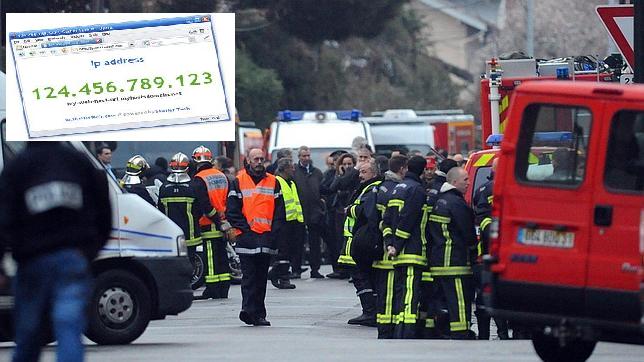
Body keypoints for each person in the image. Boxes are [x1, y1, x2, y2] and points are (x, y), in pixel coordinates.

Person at [0, 142, 111, 362]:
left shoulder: (17, 168)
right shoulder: (78, 162)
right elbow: (103, 212)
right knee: (68, 324)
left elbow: (3, 220)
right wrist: (89, 252)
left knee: (28, 333)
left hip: (32, 261)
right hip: (72, 259)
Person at [226, 148, 285, 327]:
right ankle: (248, 310)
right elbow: (232, 210)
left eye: (261, 159)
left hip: (266, 238)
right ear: (248, 161)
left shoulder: (273, 182)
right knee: (249, 277)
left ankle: (258, 313)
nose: (259, 162)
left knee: (260, 279)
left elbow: (279, 212)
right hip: (247, 238)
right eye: (256, 159)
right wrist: (244, 230)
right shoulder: (238, 181)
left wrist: (274, 233)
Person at [158, 153, 220, 291]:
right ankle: (187, 286)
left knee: (174, 262)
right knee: (189, 261)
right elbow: (201, 209)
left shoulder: (164, 188)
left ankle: (175, 287)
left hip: (171, 235)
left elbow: (161, 212)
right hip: (191, 234)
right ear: (187, 168)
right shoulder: (194, 186)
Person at [427, 167, 477, 339]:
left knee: (439, 299)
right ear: (454, 182)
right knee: (459, 300)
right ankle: (460, 331)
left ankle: (436, 330)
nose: (468, 183)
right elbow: (468, 233)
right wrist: (473, 251)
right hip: (455, 262)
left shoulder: (439, 201)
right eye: (465, 180)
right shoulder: (457, 203)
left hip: (439, 261)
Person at [385, 156, 429, 339]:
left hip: (397, 253)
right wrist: (397, 244)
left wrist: (389, 244)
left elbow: (386, 220)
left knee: (400, 292)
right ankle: (408, 332)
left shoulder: (397, 188)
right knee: (410, 293)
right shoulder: (417, 190)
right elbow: (408, 220)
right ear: (423, 170)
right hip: (412, 251)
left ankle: (398, 330)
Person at [342, 160, 383, 327]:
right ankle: (371, 311)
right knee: (366, 277)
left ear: (373, 173)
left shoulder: (373, 188)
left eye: (364, 172)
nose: (360, 175)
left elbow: (364, 210)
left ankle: (370, 312)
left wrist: (350, 209)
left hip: (363, 241)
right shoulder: (367, 187)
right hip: (360, 239)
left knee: (362, 277)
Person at [472, 158, 509, 340]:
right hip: (495, 250)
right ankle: (502, 332)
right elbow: (484, 219)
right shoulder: (489, 189)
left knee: (486, 293)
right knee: (492, 293)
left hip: (488, 251)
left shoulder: (481, 189)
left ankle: (488, 333)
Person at [192, 145, 233, 299]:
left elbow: (204, 205)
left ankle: (212, 289)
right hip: (224, 222)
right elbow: (229, 200)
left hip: (209, 224)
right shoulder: (222, 176)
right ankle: (224, 288)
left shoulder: (199, 179)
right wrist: (224, 220)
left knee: (210, 258)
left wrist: (216, 219)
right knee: (222, 257)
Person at [375, 155, 407, 338]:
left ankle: (386, 328)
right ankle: (387, 329)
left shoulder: (382, 187)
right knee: (389, 293)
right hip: (389, 250)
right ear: (402, 169)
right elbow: (386, 222)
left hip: (384, 248)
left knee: (387, 293)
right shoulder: (393, 189)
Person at [292, 146, 325, 279]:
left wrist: (321, 206)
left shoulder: (317, 172)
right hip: (299, 212)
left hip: (314, 212)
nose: (306, 158)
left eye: (308, 156)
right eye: (303, 156)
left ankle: (315, 269)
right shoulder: (294, 171)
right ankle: (296, 268)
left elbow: (323, 189)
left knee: (315, 243)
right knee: (297, 242)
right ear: (299, 157)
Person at [270, 158, 302, 289]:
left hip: (292, 222)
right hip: (281, 222)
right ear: (285, 169)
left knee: (289, 251)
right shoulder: (276, 182)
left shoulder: (291, 183)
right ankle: (283, 278)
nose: (294, 169)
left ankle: (276, 273)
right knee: (283, 252)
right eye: (291, 167)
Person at [320, 150, 348, 279]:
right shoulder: (330, 174)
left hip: (345, 210)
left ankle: (345, 268)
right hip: (333, 211)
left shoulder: (352, 175)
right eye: (336, 160)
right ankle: (337, 267)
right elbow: (326, 188)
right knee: (334, 240)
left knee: (343, 240)